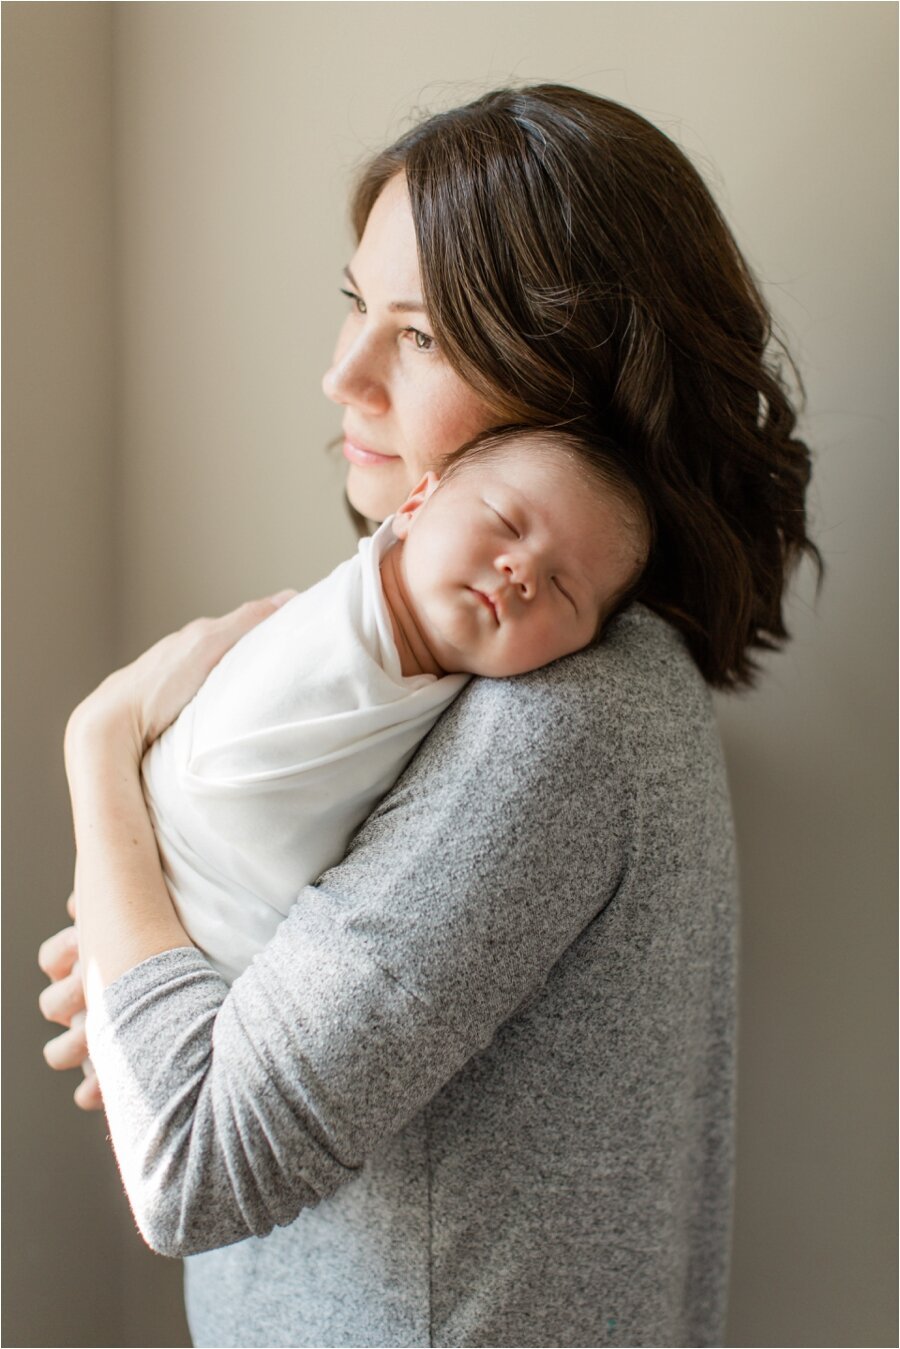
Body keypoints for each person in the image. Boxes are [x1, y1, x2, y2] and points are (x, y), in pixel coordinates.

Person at [39, 85, 819, 1348]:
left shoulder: (553, 725)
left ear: (569, 381)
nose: (341, 373)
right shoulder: (570, 669)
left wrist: (99, 746)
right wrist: (166, 979)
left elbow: (188, 1162)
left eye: (424, 336)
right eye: (359, 306)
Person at [143, 426, 648, 984]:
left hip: (211, 969)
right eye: (506, 523)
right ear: (414, 504)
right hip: (180, 890)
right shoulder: (331, 632)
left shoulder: (517, 717)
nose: (522, 571)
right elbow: (223, 797)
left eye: (564, 589)